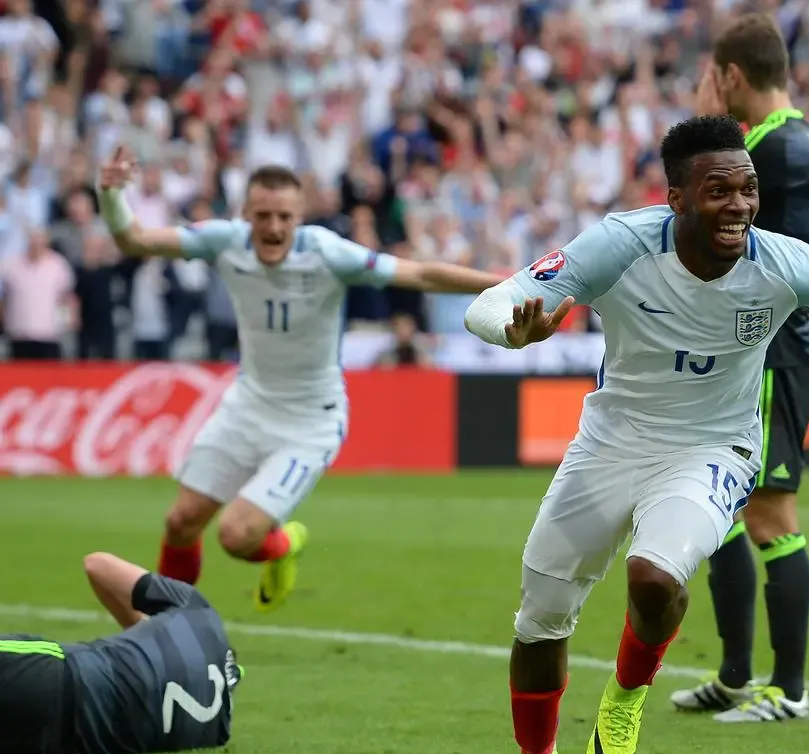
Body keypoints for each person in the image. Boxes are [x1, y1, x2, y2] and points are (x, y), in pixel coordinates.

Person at [462, 115, 809, 754]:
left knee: (653, 577)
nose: (740, 206)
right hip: (610, 443)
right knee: (541, 616)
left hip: (714, 448)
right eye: (719, 191)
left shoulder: (778, 260)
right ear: (677, 199)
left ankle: (627, 691)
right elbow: (496, 299)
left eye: (748, 189)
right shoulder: (621, 244)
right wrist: (510, 329)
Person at [95, 148, 504, 611]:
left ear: (300, 217)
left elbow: (420, 272)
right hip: (246, 407)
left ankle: (284, 544)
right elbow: (135, 241)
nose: (273, 227)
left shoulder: (327, 253)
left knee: (235, 536)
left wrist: (507, 283)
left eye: (284, 217)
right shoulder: (224, 240)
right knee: (181, 522)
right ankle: (168, 632)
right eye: (263, 215)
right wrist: (110, 195)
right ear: (245, 213)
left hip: (310, 422)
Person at [671, 12, 809, 724]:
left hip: (770, 350)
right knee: (726, 509)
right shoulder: (802, 140)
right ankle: (737, 672)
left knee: (771, 513)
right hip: (757, 347)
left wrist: (707, 127)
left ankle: (789, 688)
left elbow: (699, 233)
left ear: (732, 76)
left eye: (714, 77)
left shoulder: (765, 148)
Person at [0, 552, 240, 754]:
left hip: (58, 674)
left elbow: (97, 565)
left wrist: (139, 626)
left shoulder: (198, 611)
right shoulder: (215, 732)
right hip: (61, 738)